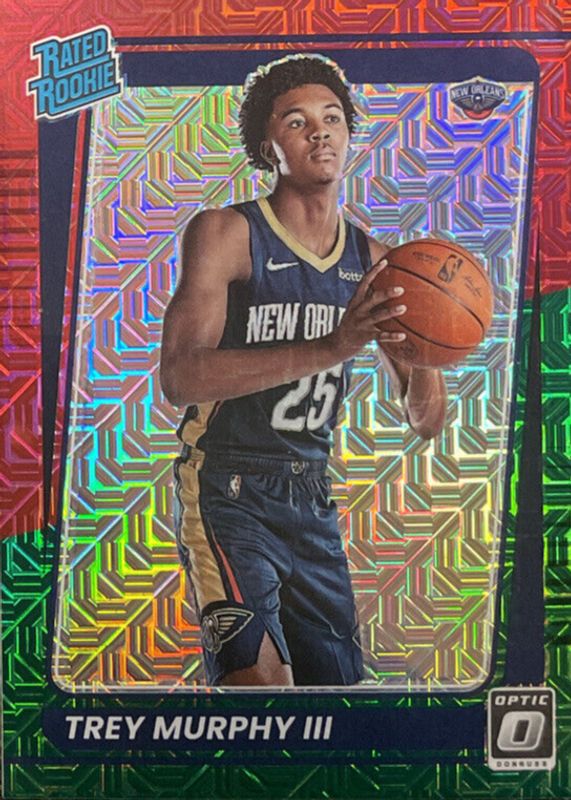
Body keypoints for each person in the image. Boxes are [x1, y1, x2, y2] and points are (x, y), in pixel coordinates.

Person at [160, 55, 447, 688]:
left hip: (312, 496)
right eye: (297, 121)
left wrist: (429, 343)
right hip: (227, 486)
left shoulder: (376, 261)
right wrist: (332, 345)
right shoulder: (226, 233)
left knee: (336, 704)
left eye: (332, 118)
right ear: (268, 147)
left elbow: (426, 421)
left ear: (348, 134)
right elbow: (179, 377)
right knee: (261, 688)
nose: (319, 132)